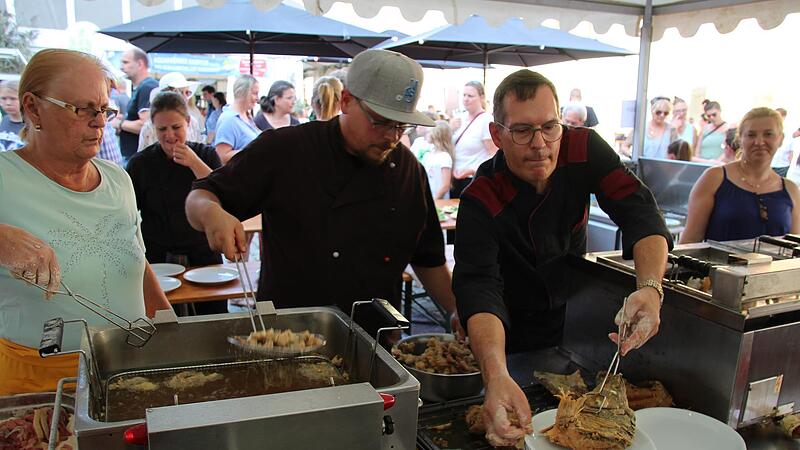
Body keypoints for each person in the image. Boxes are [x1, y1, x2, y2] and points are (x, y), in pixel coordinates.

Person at [453, 69, 670, 447]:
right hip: (507, 326)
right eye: (522, 131)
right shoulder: (481, 197)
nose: (540, 144)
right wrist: (497, 374)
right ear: (497, 135)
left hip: (570, 318)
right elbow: (479, 286)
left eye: (549, 127)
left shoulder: (583, 148)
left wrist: (651, 288)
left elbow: (640, 212)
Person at [186, 49, 460, 336]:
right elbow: (201, 195)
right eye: (380, 121)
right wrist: (211, 213)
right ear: (346, 101)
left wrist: (457, 308)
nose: (392, 136)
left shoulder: (408, 170)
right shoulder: (286, 149)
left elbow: (428, 258)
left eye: (401, 125)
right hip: (288, 335)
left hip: (375, 339)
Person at [0, 49, 171, 395]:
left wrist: (173, 336)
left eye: (104, 110)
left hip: (129, 371)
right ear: (33, 108)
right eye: (82, 109)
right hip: (38, 384)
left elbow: (138, 266)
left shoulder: (118, 179)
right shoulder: (6, 176)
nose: (99, 122)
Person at [127, 91, 226, 314]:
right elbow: (129, 214)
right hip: (159, 258)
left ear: (188, 122)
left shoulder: (206, 154)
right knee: (164, 323)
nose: (170, 135)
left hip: (204, 255)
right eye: (162, 129)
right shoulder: (141, 164)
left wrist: (194, 163)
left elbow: (223, 196)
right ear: (153, 128)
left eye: (176, 127)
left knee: (212, 319)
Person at [680, 107, 800, 243]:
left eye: (768, 134)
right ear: (740, 138)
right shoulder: (714, 179)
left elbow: (794, 247)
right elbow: (689, 241)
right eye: (751, 135)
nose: (759, 142)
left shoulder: (790, 190)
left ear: (781, 139)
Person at [451, 81, 498, 198]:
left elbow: (493, 154)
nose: (466, 99)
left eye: (470, 96)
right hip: (455, 178)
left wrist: (472, 170)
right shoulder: (460, 119)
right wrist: (451, 129)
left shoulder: (486, 120)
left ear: (481, 98)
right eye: (464, 95)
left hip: (473, 180)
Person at [113, 46, 158, 161]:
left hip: (138, 157)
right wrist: (123, 119)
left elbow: (146, 125)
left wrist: (118, 123)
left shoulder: (147, 87)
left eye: (126, 62)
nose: (121, 67)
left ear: (140, 64)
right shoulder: (143, 87)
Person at [137, 72, 202, 151]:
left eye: (187, 93)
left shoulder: (193, 122)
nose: (185, 97)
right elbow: (143, 155)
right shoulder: (150, 126)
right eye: (162, 128)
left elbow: (198, 151)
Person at [214, 74, 260, 164]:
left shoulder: (247, 116)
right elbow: (222, 156)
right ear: (242, 93)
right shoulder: (228, 120)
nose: (257, 98)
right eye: (255, 93)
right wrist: (254, 151)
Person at [422, 121, 454, 200]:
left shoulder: (445, 157)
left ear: (437, 134)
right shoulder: (427, 155)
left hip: (439, 200)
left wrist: (435, 200)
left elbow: (445, 185)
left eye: (429, 132)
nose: (426, 134)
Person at [0, 80, 24, 152]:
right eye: (4, 98)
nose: (8, 103)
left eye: (13, 99)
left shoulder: (33, 125)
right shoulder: (3, 120)